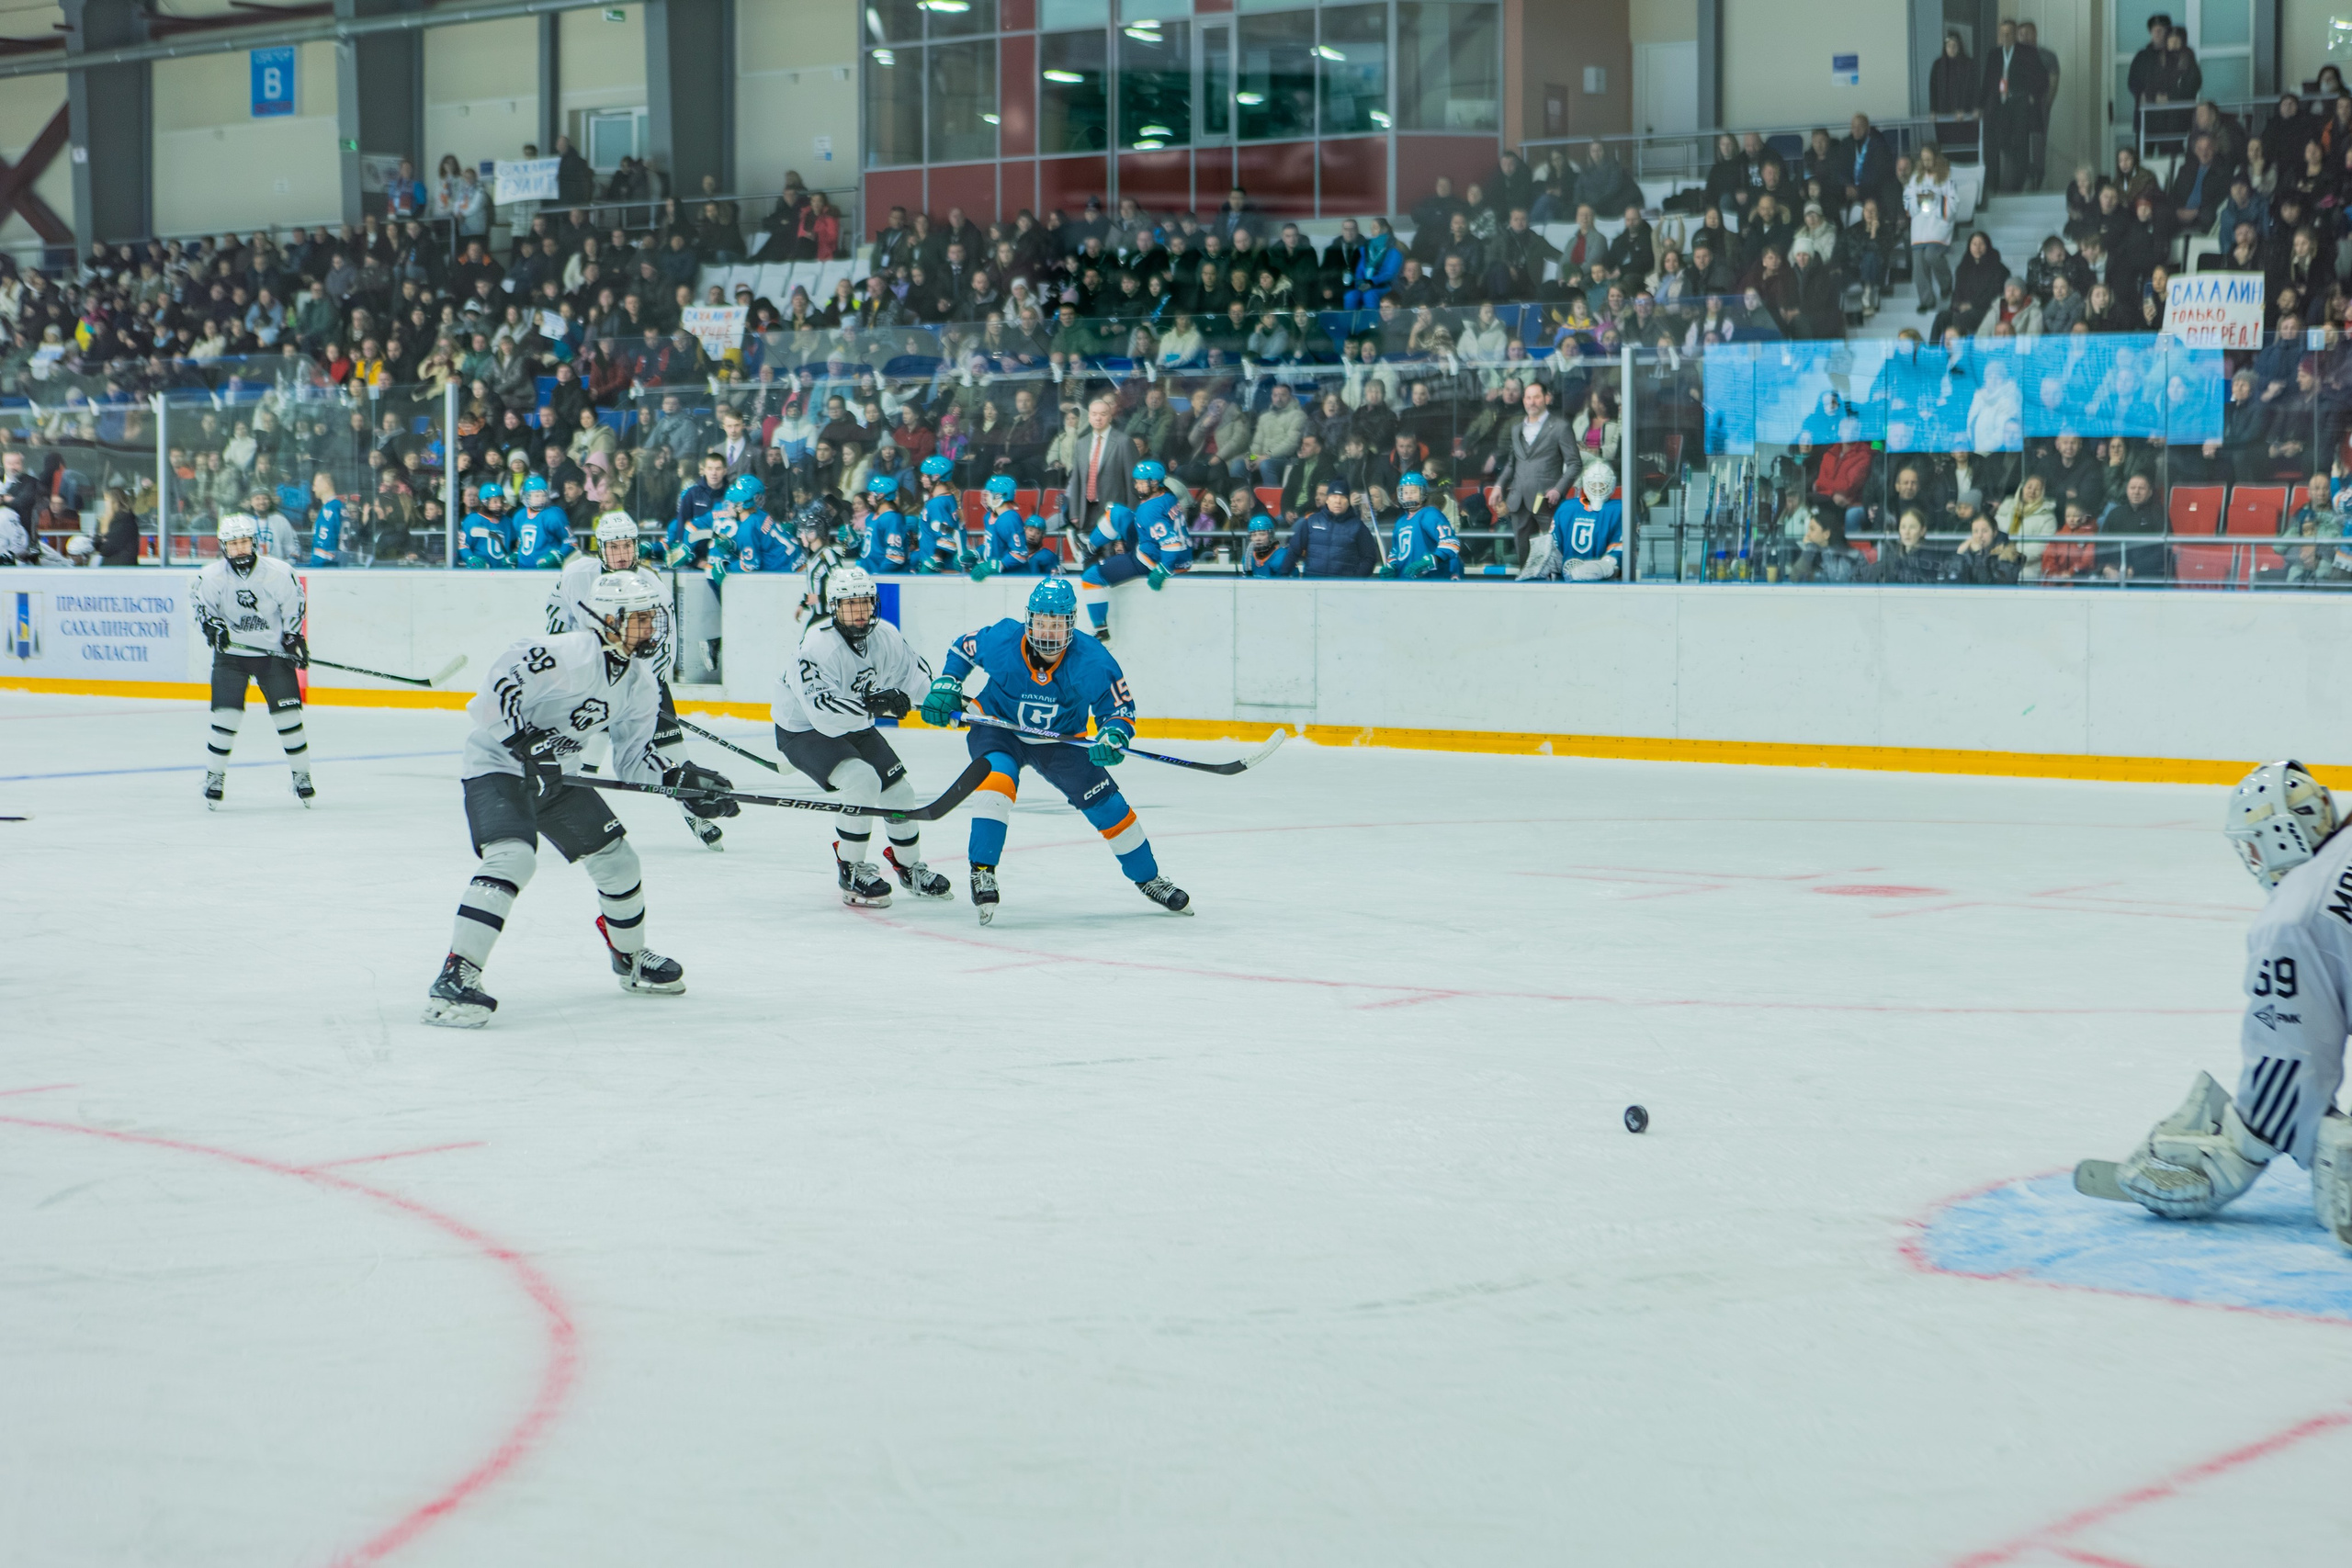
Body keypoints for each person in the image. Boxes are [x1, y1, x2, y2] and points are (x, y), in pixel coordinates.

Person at [421, 572, 733, 1028]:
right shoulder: (564, 653)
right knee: (513, 858)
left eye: (652, 618)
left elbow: (633, 761)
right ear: (607, 620)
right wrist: (526, 743)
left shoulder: (641, 683)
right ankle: (456, 975)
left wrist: (681, 782)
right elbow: (492, 696)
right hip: (499, 767)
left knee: (619, 861)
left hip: (558, 777)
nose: (649, 628)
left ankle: (630, 959)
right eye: (639, 618)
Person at [2080, 760, 2352, 1256]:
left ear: (2283, 836)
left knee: (2340, 1157)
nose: (2253, 858)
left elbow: (2292, 1066)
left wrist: (2233, 1153)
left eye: (2254, 844)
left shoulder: (2294, 916)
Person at [917, 578, 1191, 923]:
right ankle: (982, 870)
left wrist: (1113, 735)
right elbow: (963, 648)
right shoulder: (1003, 639)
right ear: (1029, 619)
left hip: (1061, 741)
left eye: (1057, 624)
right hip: (998, 729)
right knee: (997, 783)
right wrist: (948, 682)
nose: (1048, 632)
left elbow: (1119, 710)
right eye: (1042, 622)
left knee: (1111, 808)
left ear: (1071, 624)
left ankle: (1149, 879)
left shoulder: (1092, 659)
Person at [767, 564, 952, 907]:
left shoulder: (886, 636)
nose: (859, 611)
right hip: (804, 730)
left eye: (865, 602)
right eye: (850, 604)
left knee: (899, 793)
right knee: (862, 781)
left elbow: (915, 679)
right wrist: (874, 705)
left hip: (854, 723)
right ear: (834, 607)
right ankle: (851, 869)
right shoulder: (818, 645)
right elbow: (822, 712)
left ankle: (909, 867)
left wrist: (947, 707)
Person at [192, 514, 313, 811]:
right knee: (226, 718)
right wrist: (213, 628)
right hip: (232, 657)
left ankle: (301, 776)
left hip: (272, 656)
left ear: (255, 542)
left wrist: (293, 637)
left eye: (245, 542)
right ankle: (214, 777)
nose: (240, 549)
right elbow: (203, 610)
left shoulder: (279, 573)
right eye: (233, 544)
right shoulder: (211, 577)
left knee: (289, 718)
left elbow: (294, 607)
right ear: (223, 546)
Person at [1076, 459, 1190, 644]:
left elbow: (1171, 544)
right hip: (1172, 554)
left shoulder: (1149, 510)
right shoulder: (1168, 495)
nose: (1137, 486)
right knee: (1116, 513)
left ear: (1155, 483)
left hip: (1148, 561)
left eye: (1141, 482)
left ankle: (1101, 631)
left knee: (1090, 578)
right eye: (1136, 481)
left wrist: (1163, 570)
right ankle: (1088, 549)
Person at [1491, 380, 1579, 561]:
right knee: (1523, 556)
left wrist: (1558, 490)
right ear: (1523, 400)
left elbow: (1575, 464)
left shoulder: (1560, 427)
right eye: (1528, 398)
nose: (1532, 402)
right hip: (1519, 501)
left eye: (1537, 397)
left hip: (1547, 500)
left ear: (1547, 398)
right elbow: (1511, 463)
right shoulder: (1516, 429)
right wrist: (1499, 486)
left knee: (1554, 551)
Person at [968, 474, 1059, 578]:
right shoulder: (989, 517)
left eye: (989, 494)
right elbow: (991, 545)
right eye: (1030, 530)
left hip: (1011, 577)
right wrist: (976, 553)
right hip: (995, 576)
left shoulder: (1009, 519)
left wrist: (1000, 564)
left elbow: (1019, 553)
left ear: (998, 496)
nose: (986, 497)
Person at [1374, 473, 1461, 580]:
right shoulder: (1400, 522)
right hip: (1404, 581)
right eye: (1405, 492)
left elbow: (1451, 543)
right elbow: (1396, 551)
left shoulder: (1430, 515)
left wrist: (1432, 560)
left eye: (1413, 492)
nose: (1409, 496)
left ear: (1423, 493)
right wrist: (1392, 567)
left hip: (1429, 581)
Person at [1549, 460, 1625, 581]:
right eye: (1593, 484)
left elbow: (1621, 549)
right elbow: (1553, 546)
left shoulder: (1619, 510)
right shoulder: (1566, 509)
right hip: (1566, 579)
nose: (1598, 488)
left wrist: (1606, 566)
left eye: (1602, 484)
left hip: (1604, 584)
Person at [913, 454, 965, 571]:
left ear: (936, 477)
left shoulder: (938, 503)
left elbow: (946, 537)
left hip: (939, 570)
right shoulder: (947, 498)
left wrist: (936, 559)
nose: (922, 479)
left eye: (925, 475)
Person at [858, 471, 914, 574]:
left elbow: (895, 557)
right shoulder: (872, 517)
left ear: (881, 495)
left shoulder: (893, 518)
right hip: (870, 576)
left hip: (886, 579)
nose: (868, 497)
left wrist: (879, 575)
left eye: (871, 493)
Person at [459, 480, 515, 568]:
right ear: (484, 502)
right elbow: (463, 545)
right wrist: (470, 558)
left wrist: (514, 555)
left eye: (501, 501)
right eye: (495, 501)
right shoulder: (472, 520)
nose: (499, 504)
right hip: (482, 570)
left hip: (504, 571)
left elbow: (514, 545)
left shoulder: (507, 521)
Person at [306, 472, 346, 567]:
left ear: (326, 485)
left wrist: (315, 568)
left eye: (315, 485)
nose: (313, 489)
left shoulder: (329, 509)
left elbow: (324, 548)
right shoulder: (340, 506)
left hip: (327, 568)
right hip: (339, 564)